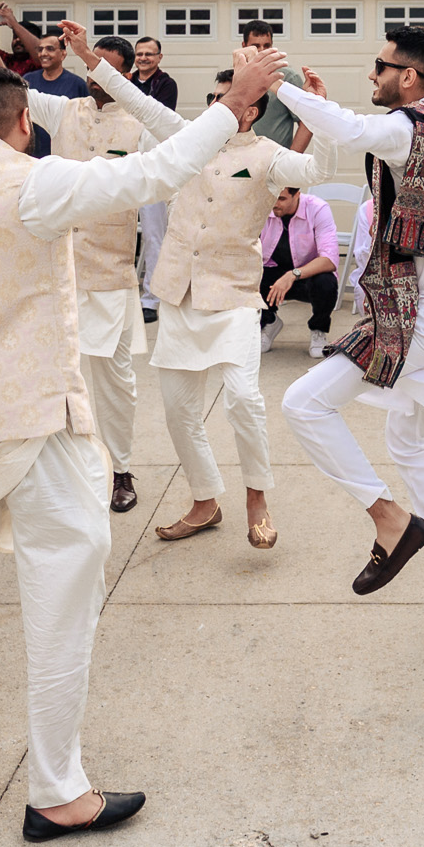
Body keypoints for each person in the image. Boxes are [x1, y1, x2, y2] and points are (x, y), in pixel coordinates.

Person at [0, 45, 290, 840]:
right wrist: (233, 101)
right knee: (64, 586)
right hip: (36, 421)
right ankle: (57, 789)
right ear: (25, 125)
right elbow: (152, 175)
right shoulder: (33, 183)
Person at [277, 27, 424, 641]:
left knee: (303, 403)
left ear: (408, 76)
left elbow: (354, 129)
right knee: (408, 445)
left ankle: (390, 521)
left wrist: (278, 82)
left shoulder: (409, 126)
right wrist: (316, 106)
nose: (371, 75)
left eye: (379, 66)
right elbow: (347, 128)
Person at [114, 65, 316, 550]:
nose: (213, 105)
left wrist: (313, 107)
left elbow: (316, 171)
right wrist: (90, 58)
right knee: (178, 410)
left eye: (224, 98)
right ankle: (205, 501)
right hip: (180, 291)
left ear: (249, 110)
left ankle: (257, 499)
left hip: (233, 295)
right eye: (212, 97)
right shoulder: (191, 138)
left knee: (243, 400)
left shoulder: (269, 155)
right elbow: (141, 104)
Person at [31, 26, 160, 516]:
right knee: (51, 374)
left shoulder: (142, 125)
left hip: (109, 274)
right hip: (55, 269)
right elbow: (9, 87)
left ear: (123, 74)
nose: (94, 76)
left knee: (114, 380)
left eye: (104, 68)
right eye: (90, 66)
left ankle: (120, 469)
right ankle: (55, 469)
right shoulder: (62, 111)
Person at [259, 186, 341, 356]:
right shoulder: (262, 207)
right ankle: (269, 322)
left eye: (282, 199)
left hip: (307, 276)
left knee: (326, 281)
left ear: (297, 194)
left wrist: (292, 275)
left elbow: (330, 259)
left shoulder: (318, 209)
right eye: (272, 197)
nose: (275, 204)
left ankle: (319, 329)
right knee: (249, 273)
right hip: (272, 272)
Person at [131, 37, 177, 324]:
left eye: (149, 54)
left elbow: (154, 117)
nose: (144, 58)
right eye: (139, 54)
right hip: (122, 161)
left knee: (153, 234)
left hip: (152, 166)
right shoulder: (126, 79)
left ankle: (151, 298)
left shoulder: (166, 84)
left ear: (159, 57)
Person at [14, 25, 89, 157]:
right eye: (40, 49)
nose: (43, 54)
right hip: (33, 156)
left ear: (63, 54)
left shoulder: (77, 84)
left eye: (50, 49)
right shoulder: (28, 80)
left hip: (66, 157)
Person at [238, 21, 309, 150]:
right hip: (239, 163)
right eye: (256, 46)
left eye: (267, 46)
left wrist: (292, 159)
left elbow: (307, 122)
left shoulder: (287, 78)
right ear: (244, 46)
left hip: (274, 164)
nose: (262, 51)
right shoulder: (235, 77)